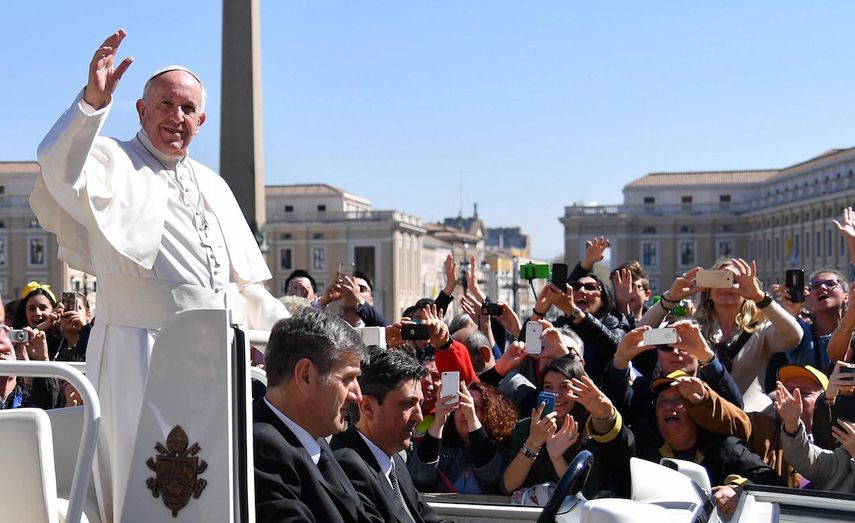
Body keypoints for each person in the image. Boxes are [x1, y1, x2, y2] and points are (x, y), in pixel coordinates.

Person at [33, 29, 289, 521]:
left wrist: (301, 337)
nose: (177, 117)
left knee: (212, 487)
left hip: (215, 361)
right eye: (166, 104)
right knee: (142, 478)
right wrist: (91, 102)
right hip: (137, 351)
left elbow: (242, 290)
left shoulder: (213, 184)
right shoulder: (111, 159)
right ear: (141, 110)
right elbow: (59, 168)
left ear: (203, 119)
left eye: (188, 109)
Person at [254, 308, 381, 523]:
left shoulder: (314, 442)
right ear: (306, 375)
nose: (357, 395)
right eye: (348, 379)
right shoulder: (265, 449)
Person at [640, 258, 802, 413]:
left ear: (747, 291)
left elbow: (794, 336)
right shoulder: (692, 329)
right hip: (702, 416)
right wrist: (669, 299)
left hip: (750, 417)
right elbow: (642, 336)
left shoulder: (760, 330)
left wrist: (760, 297)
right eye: (720, 279)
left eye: (735, 281)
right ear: (708, 291)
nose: (727, 286)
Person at [331, 346, 447, 522]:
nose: (419, 416)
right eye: (408, 404)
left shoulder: (394, 460)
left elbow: (426, 516)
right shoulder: (347, 467)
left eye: (420, 404)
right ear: (368, 407)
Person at [502, 357, 634, 499]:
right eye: (548, 387)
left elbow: (583, 494)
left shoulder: (591, 431)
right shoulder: (527, 427)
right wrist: (532, 444)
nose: (557, 395)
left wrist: (557, 458)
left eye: (564, 387)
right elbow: (507, 486)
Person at [409, 379, 517, 495]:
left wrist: (471, 418)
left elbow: (492, 476)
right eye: (460, 406)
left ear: (490, 413)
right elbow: (420, 477)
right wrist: (439, 421)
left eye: (474, 406)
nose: (465, 411)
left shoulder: (503, 447)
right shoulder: (441, 444)